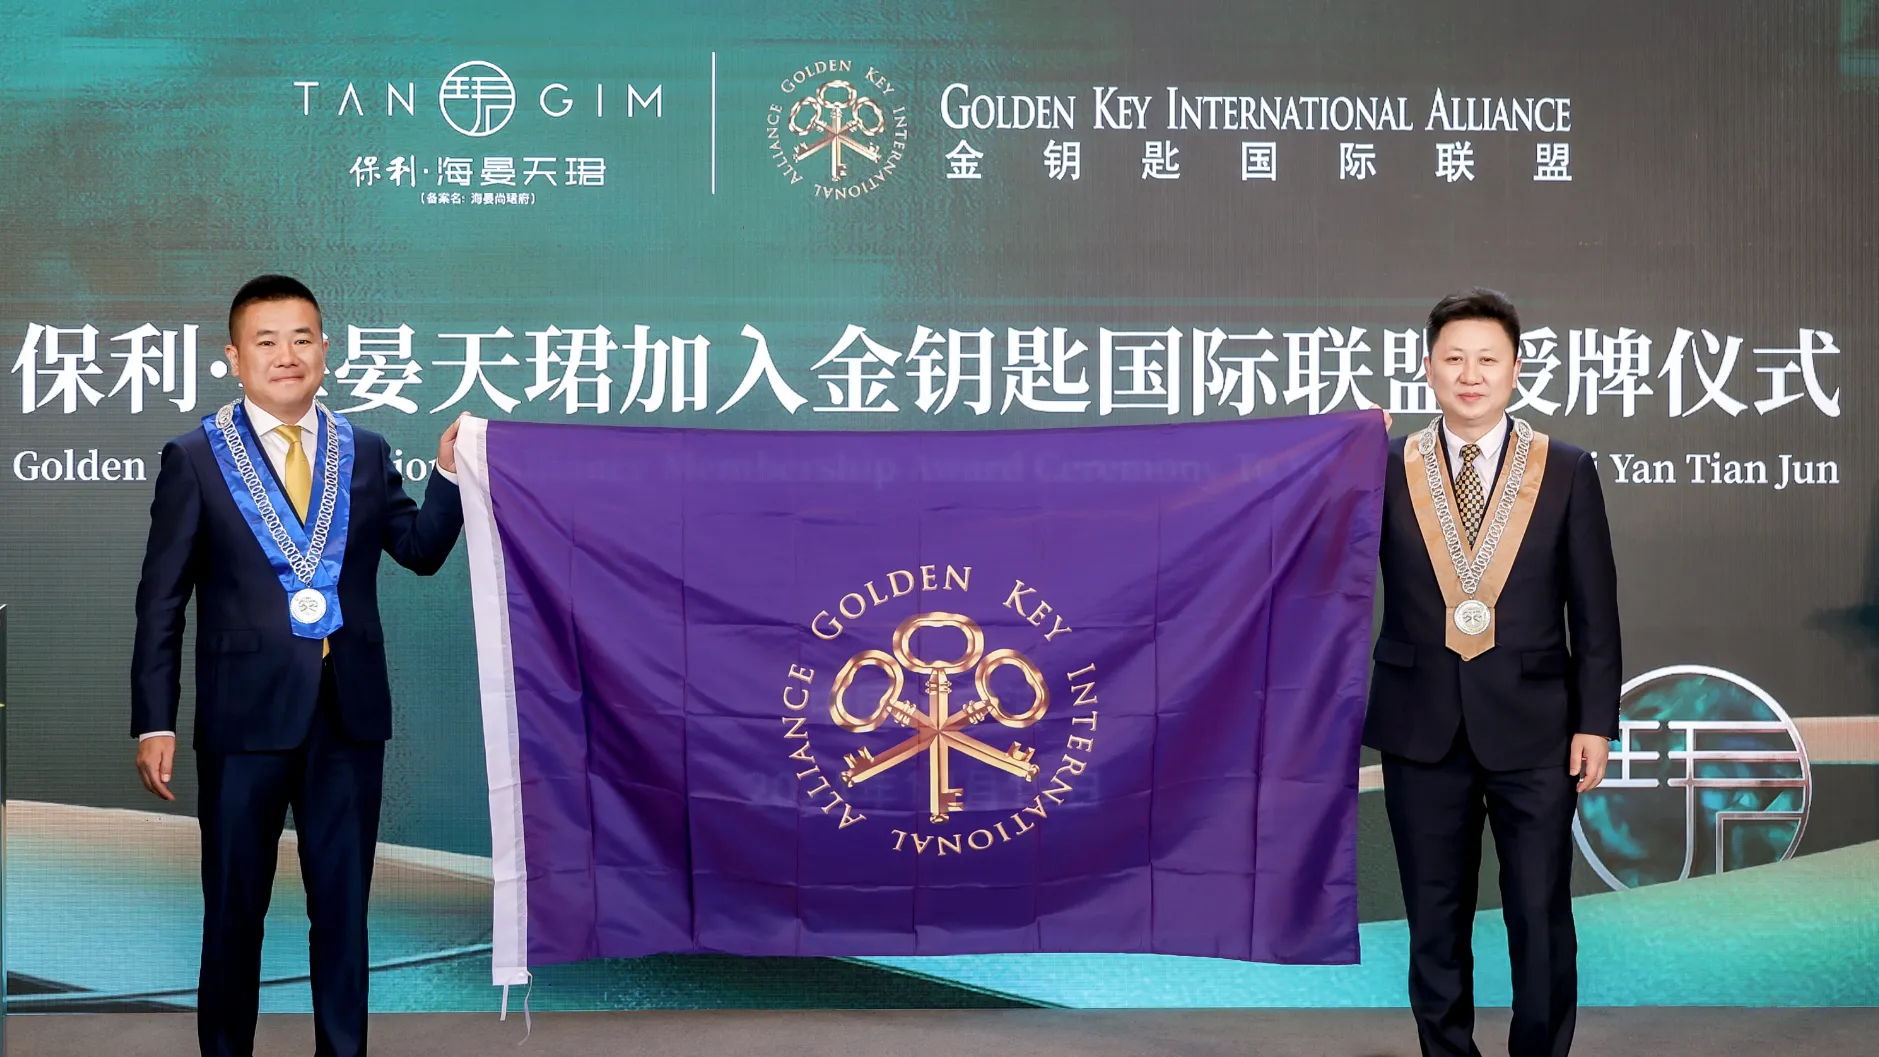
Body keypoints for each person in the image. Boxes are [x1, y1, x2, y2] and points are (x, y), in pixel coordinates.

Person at [131, 275, 464, 1057]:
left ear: (325, 349)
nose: (287, 354)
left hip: (347, 717)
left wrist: (449, 474)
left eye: (302, 338)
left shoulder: (364, 449)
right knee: (233, 912)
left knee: (343, 911)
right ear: (234, 356)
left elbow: (419, 550)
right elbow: (161, 601)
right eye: (267, 340)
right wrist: (153, 719)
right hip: (241, 722)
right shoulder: (194, 458)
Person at [1366, 288, 1620, 1057]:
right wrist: (1334, 446)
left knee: (1538, 912)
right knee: (1432, 915)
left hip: (1537, 726)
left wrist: (1594, 721)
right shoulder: (1381, 466)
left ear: (1514, 369)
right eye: (1453, 359)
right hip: (1420, 724)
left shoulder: (1566, 469)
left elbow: (1594, 608)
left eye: (1486, 359)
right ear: (1427, 368)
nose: (1469, 375)